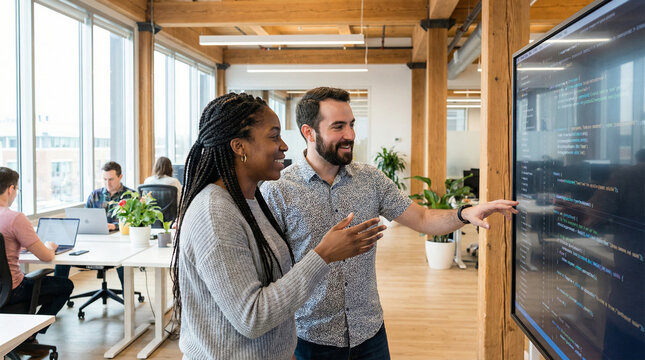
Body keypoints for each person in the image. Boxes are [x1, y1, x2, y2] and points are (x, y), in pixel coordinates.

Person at [260, 87, 519, 359]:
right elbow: (270, 277)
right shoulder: (278, 191)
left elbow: (422, 218)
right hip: (309, 340)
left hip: (369, 335)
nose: (349, 135)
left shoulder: (370, 179)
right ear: (308, 132)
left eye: (351, 125)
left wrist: (464, 213)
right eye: (338, 126)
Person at [170, 93, 387, 359]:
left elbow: (273, 286)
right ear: (239, 147)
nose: (284, 146)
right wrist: (324, 255)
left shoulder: (250, 201)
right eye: (273, 137)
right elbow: (252, 317)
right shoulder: (215, 214)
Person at [0, 167, 74, 346]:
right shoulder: (15, 218)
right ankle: (30, 333)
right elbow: (46, 256)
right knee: (65, 285)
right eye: (16, 189)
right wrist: (49, 246)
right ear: (11, 189)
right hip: (12, 291)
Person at [55, 161, 133, 284]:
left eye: (111, 179)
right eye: (105, 179)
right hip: (95, 241)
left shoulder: (131, 196)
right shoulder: (95, 195)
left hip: (119, 242)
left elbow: (134, 222)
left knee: (124, 260)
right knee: (62, 256)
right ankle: (58, 293)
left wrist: (115, 226)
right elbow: (86, 220)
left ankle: (127, 299)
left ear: (120, 177)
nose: (108, 183)